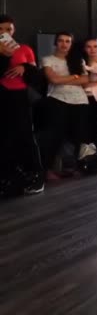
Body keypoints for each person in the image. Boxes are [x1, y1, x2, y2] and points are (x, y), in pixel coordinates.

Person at [0, 14, 43, 195]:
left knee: (25, 135)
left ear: (14, 30)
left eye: (8, 29)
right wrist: (4, 56)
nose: (5, 32)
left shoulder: (25, 49)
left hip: (20, 96)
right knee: (4, 137)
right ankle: (8, 177)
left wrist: (24, 68)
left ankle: (36, 176)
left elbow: (36, 76)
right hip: (2, 94)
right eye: (1, 29)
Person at [40, 32, 90, 180]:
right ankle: (48, 169)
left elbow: (85, 80)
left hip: (80, 100)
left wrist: (64, 79)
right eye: (61, 41)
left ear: (71, 44)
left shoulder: (78, 60)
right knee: (54, 136)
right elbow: (53, 80)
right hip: (57, 99)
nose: (64, 44)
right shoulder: (48, 59)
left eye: (67, 41)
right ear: (56, 42)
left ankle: (74, 166)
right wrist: (74, 77)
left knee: (77, 135)